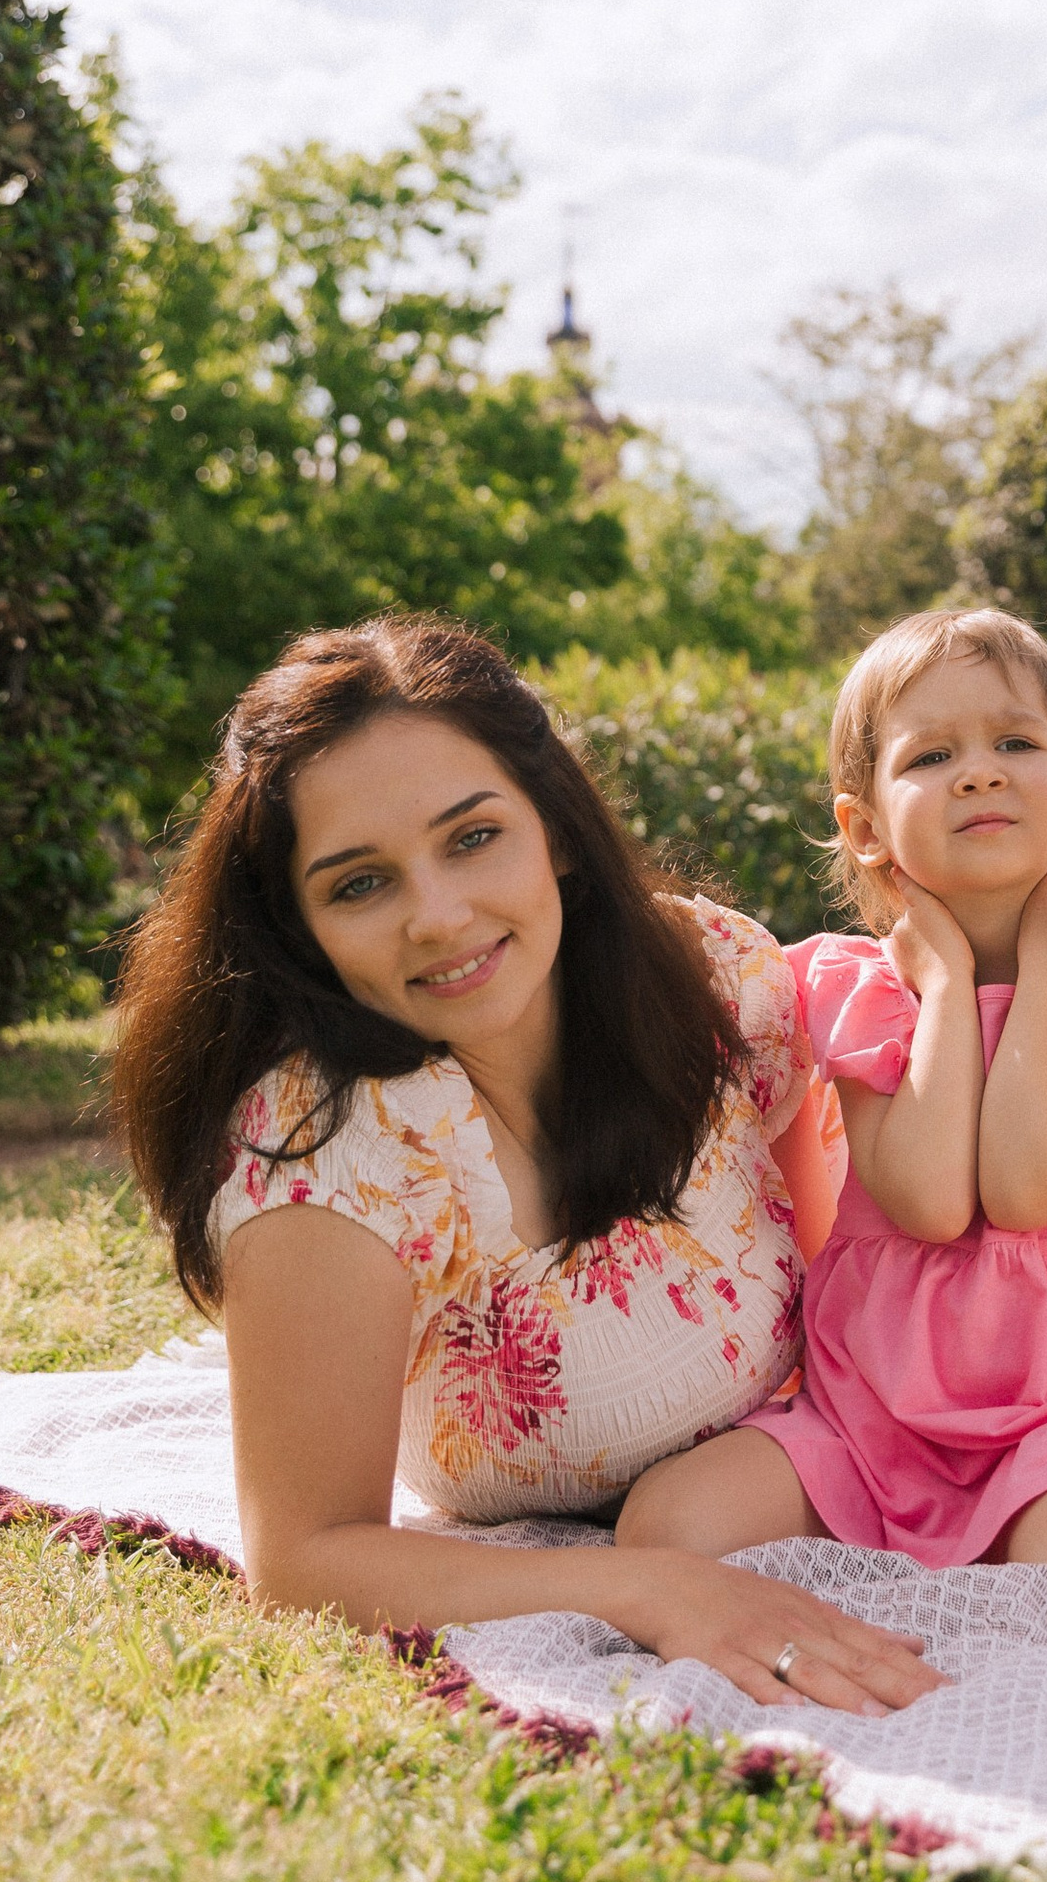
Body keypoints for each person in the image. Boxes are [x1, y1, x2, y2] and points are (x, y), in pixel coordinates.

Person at [112, 617, 939, 1720]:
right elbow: (304, 1558)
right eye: (359, 885)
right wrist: (651, 1589)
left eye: (472, 837)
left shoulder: (716, 986)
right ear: (300, 930)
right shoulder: (334, 1154)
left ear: (555, 828)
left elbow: (830, 1279)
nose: (439, 916)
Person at [617, 607, 1047, 1568]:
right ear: (866, 827)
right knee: (672, 1522)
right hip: (870, 1421)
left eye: (1015, 743)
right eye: (931, 757)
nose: (979, 773)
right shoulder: (864, 989)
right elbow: (930, 1201)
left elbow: (1027, 1186)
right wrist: (942, 989)